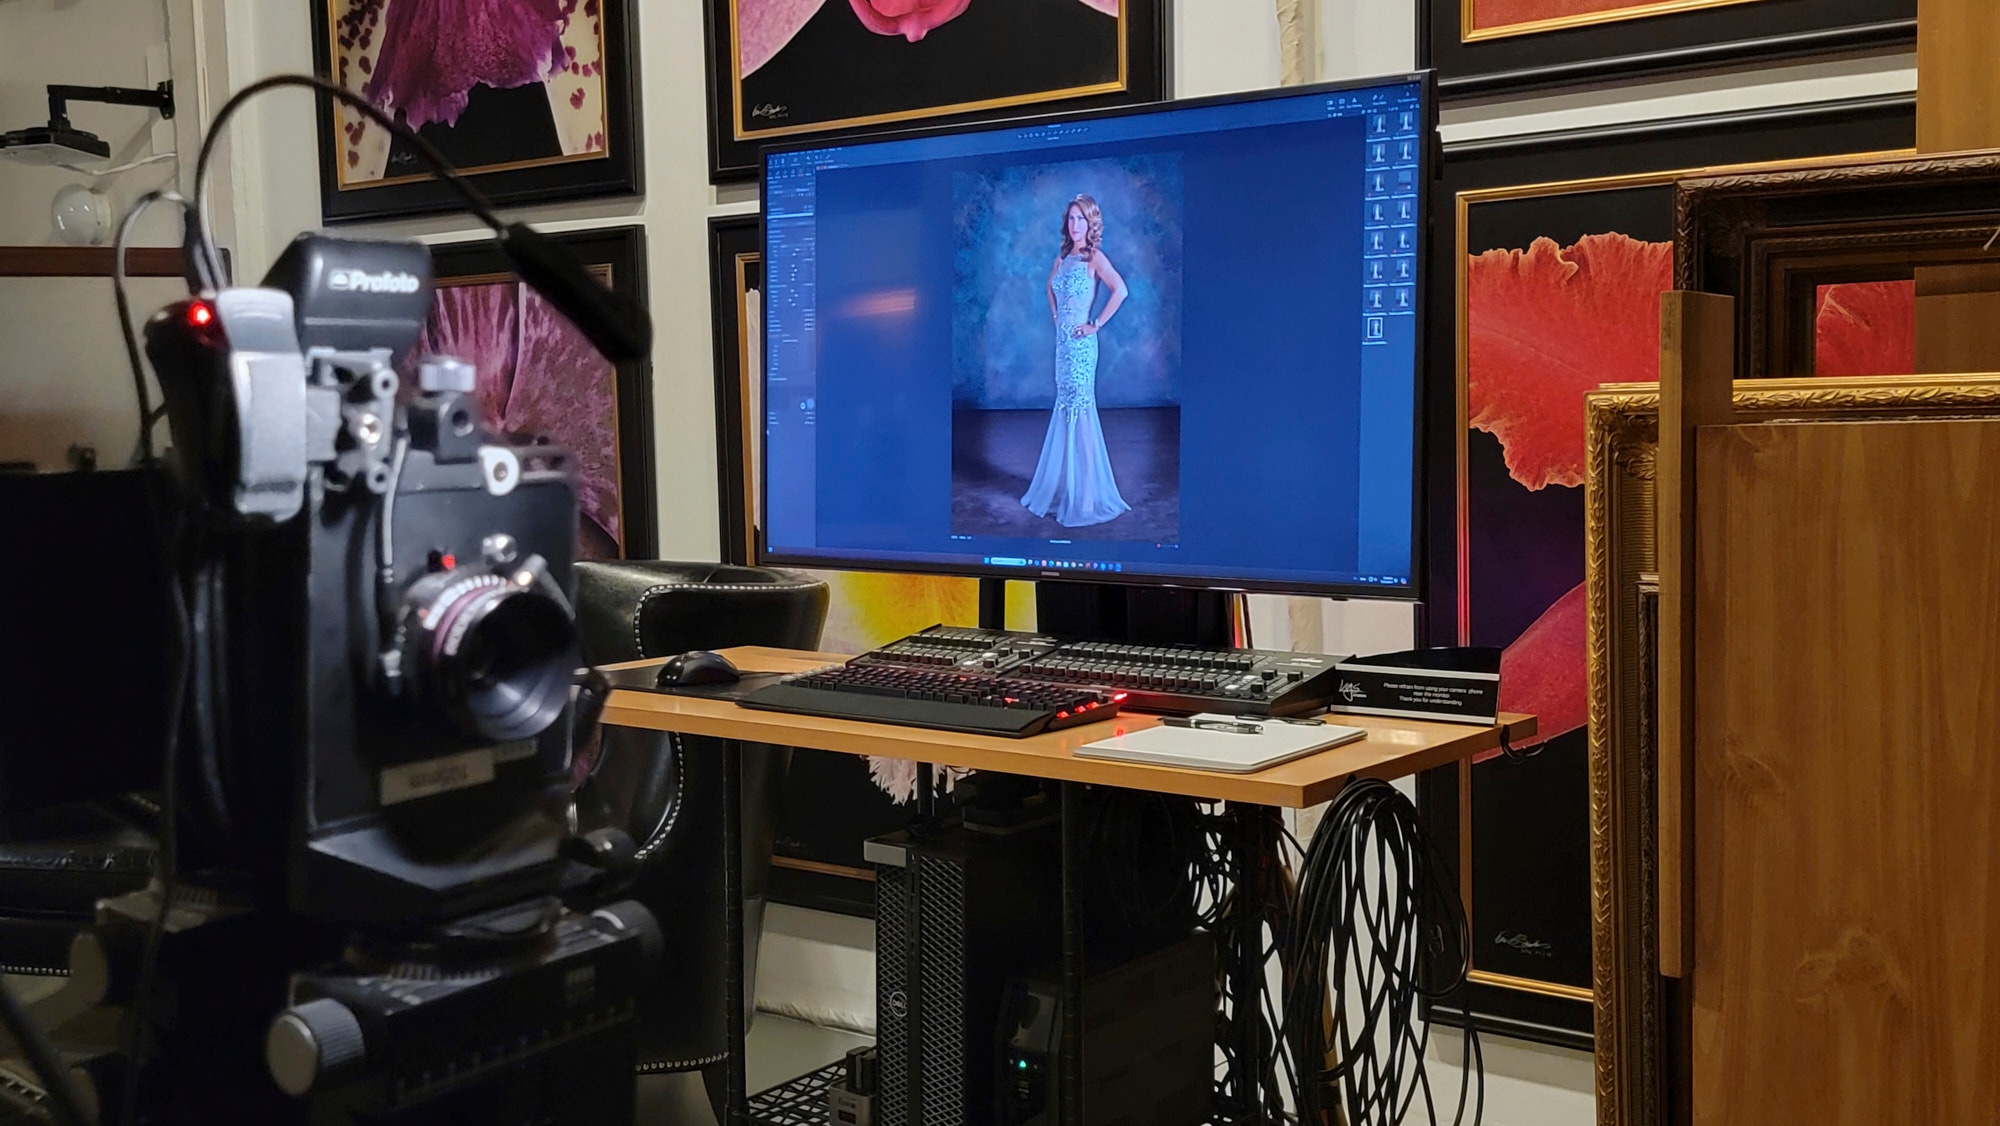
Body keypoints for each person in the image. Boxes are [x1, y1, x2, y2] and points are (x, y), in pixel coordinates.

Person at [1021, 194, 1132, 528]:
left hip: (1082, 349)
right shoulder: (1063, 255)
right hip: (1063, 347)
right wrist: (1057, 316)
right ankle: (1071, 487)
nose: (1075, 225)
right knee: (1067, 409)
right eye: (1071, 219)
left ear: (1091, 223)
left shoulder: (1093, 257)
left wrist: (1094, 324)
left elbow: (1121, 290)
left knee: (1082, 413)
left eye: (1081, 219)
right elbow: (1049, 288)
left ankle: (1085, 497)